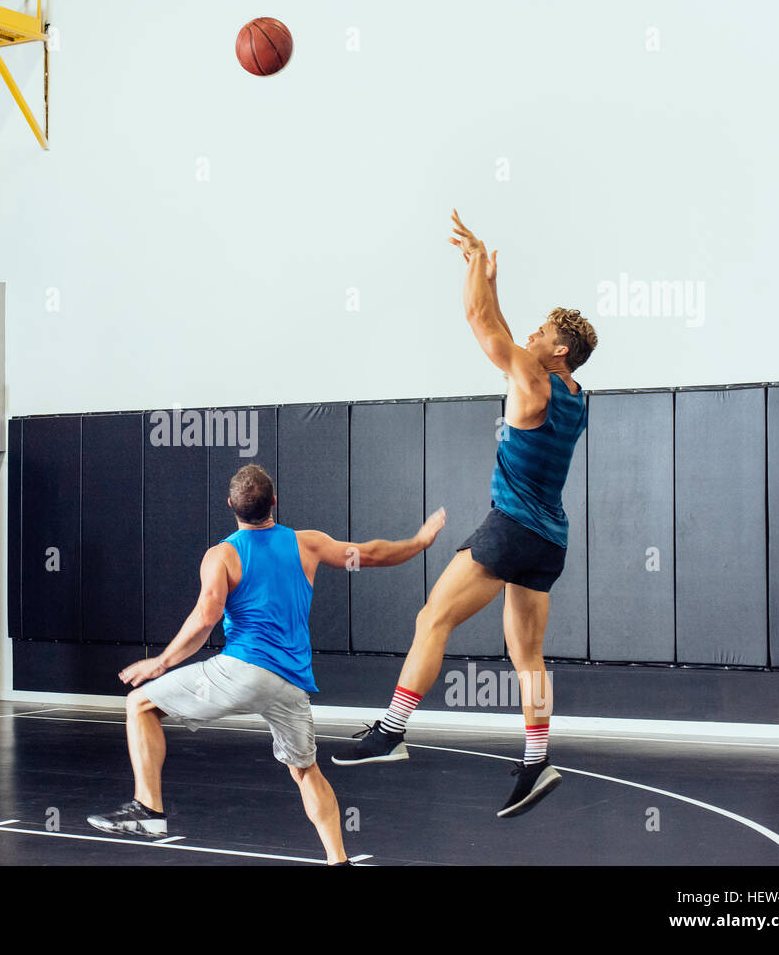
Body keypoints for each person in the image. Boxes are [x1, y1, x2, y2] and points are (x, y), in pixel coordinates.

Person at [332, 210, 598, 819]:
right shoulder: (576, 395)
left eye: (542, 330)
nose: (530, 333)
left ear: (558, 350)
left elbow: (481, 322)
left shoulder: (531, 376)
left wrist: (478, 260)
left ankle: (392, 733)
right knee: (527, 658)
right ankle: (536, 762)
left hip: (509, 530)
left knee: (433, 618)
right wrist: (494, 280)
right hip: (549, 542)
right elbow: (503, 326)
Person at [87, 464, 447, 864]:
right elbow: (373, 555)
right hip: (291, 684)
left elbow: (206, 618)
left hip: (242, 670)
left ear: (230, 506)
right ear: (273, 502)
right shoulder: (307, 544)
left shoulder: (221, 555)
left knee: (139, 704)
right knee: (305, 770)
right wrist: (420, 541)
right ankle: (338, 859)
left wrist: (161, 662)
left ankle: (149, 810)